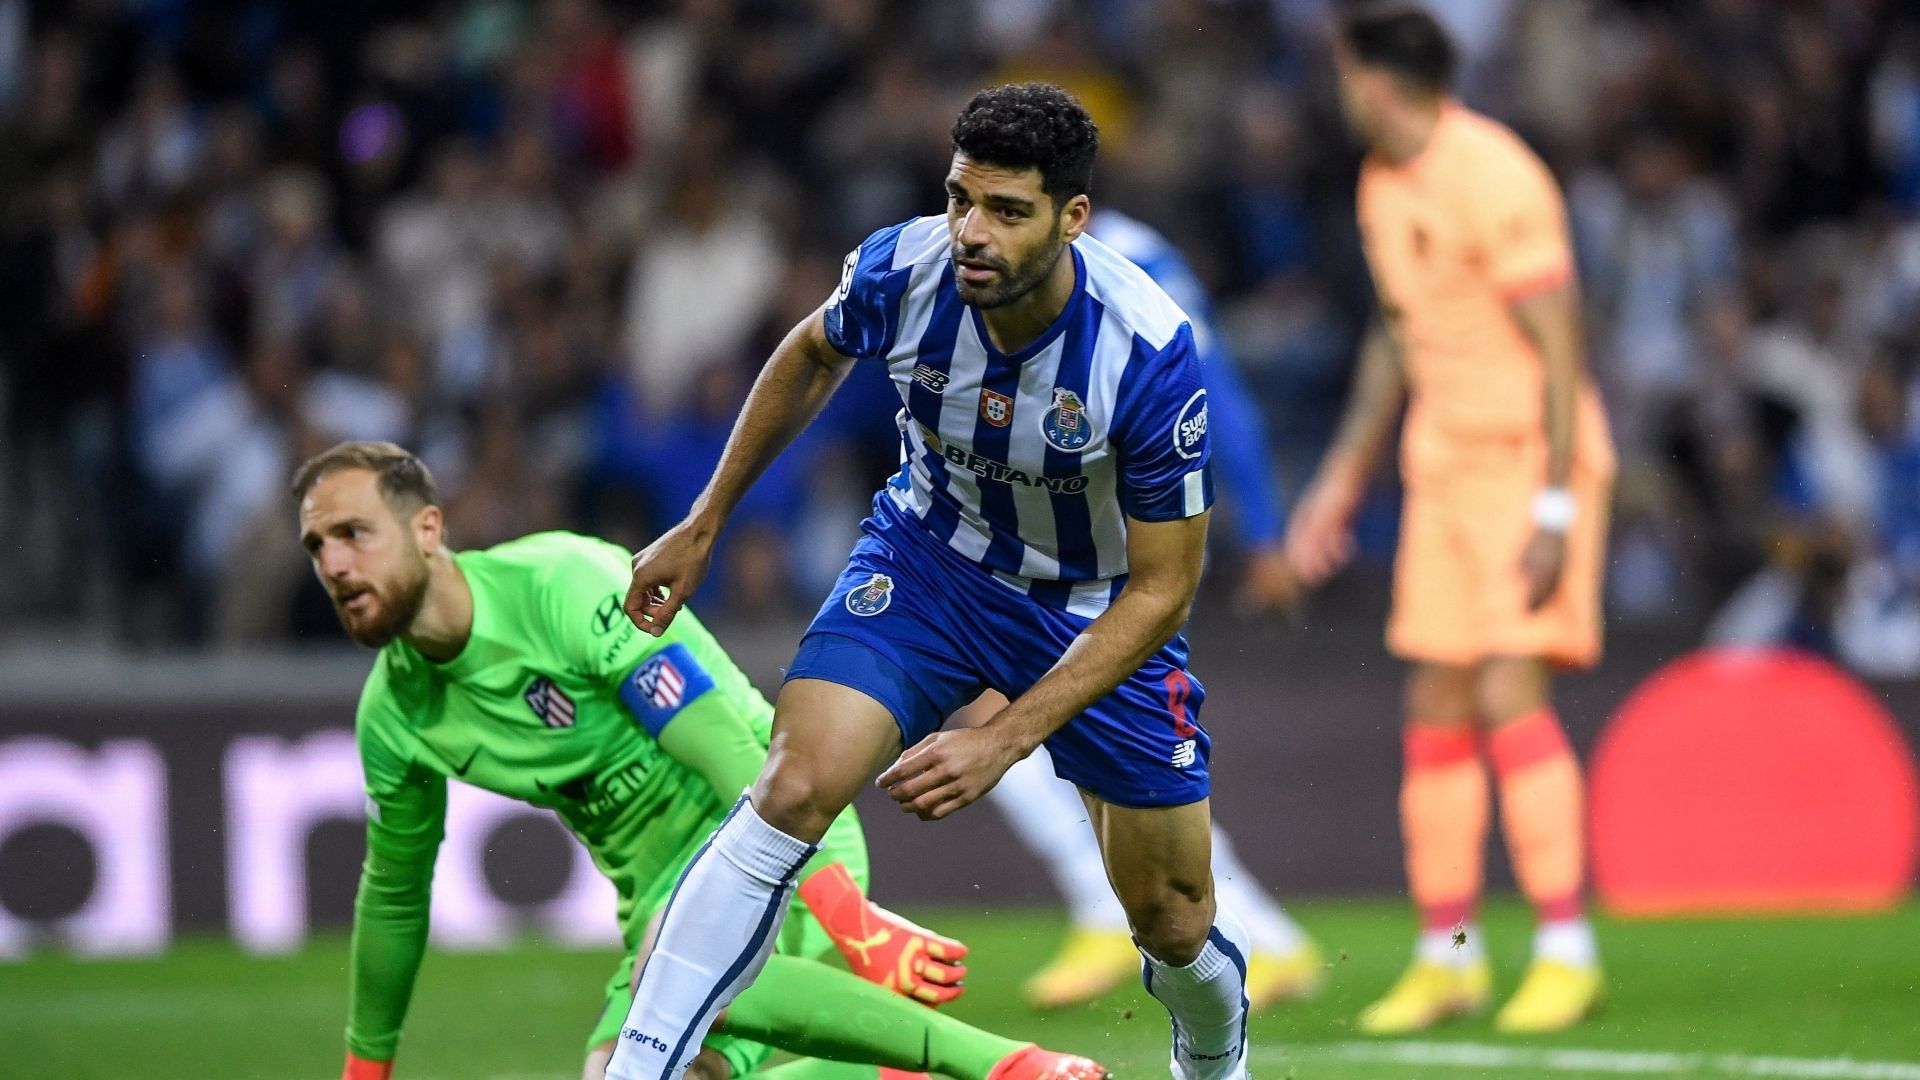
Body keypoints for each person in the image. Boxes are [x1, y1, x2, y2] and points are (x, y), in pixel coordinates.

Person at [614, 84, 1249, 1080]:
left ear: (1072, 218)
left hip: (1093, 604)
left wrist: (1003, 735)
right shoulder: (902, 269)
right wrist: (706, 521)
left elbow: (1165, 588)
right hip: (929, 563)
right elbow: (812, 352)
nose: (970, 231)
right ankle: (640, 1067)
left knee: (1172, 919)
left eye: (1006, 211)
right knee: (793, 783)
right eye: (960, 198)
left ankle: (1215, 1058)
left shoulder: (1148, 351)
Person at [295, 440, 1105, 1080]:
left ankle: (1001, 1066)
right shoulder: (394, 717)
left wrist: (849, 922)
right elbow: (394, 901)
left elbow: (730, 753)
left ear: (428, 529)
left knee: (684, 966)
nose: (333, 566)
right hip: (654, 900)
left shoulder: (565, 587)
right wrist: (365, 1070)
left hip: (775, 832)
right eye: (317, 546)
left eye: (353, 534)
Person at [1285, 6, 1615, 1035]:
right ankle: (1450, 957)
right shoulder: (1384, 183)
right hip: (1443, 464)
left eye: (1346, 74)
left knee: (1510, 687)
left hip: (1528, 458)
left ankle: (1567, 946)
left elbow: (1560, 343)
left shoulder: (1495, 174)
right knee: (1436, 701)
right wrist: (1341, 476)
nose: (1339, 93)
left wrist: (1556, 502)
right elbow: (1399, 335)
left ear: (1379, 80)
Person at [978, 208, 1322, 1012]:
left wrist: (1266, 534)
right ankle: (1227, 930)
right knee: (1029, 729)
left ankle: (1210, 929)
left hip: (1119, 554)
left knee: (1095, 742)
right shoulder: (966, 256)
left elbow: (1214, 393)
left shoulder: (1135, 263)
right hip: (1029, 547)